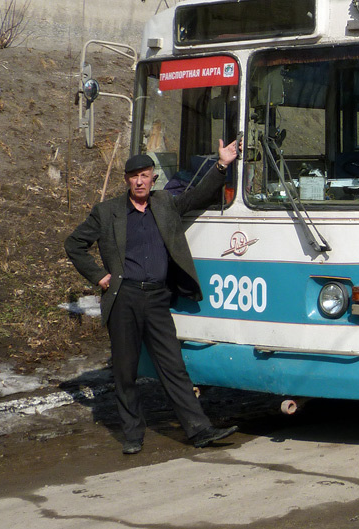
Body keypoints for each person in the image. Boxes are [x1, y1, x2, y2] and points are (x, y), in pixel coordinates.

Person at [65, 139, 241, 455]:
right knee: (125, 370)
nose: (140, 181)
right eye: (134, 176)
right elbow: (74, 244)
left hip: (158, 299)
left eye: (145, 175)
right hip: (124, 299)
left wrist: (221, 165)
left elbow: (199, 195)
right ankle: (132, 434)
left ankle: (199, 430)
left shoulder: (165, 205)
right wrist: (99, 276)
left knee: (173, 367)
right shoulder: (107, 213)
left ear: (153, 178)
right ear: (126, 180)